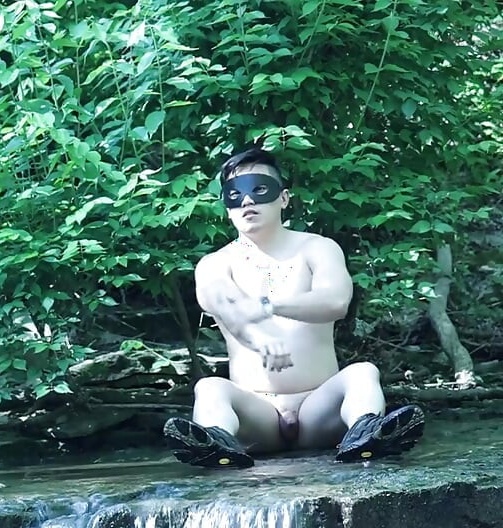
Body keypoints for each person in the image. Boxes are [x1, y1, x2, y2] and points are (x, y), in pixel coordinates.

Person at [163, 147, 425, 468]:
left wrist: (268, 305)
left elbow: (335, 301)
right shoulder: (215, 264)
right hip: (257, 414)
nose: (247, 201)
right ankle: (216, 442)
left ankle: (366, 432)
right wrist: (259, 337)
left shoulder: (318, 248)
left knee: (362, 373)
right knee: (210, 388)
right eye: (236, 194)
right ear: (227, 205)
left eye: (259, 190)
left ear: (284, 198)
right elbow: (223, 304)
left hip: (319, 406)